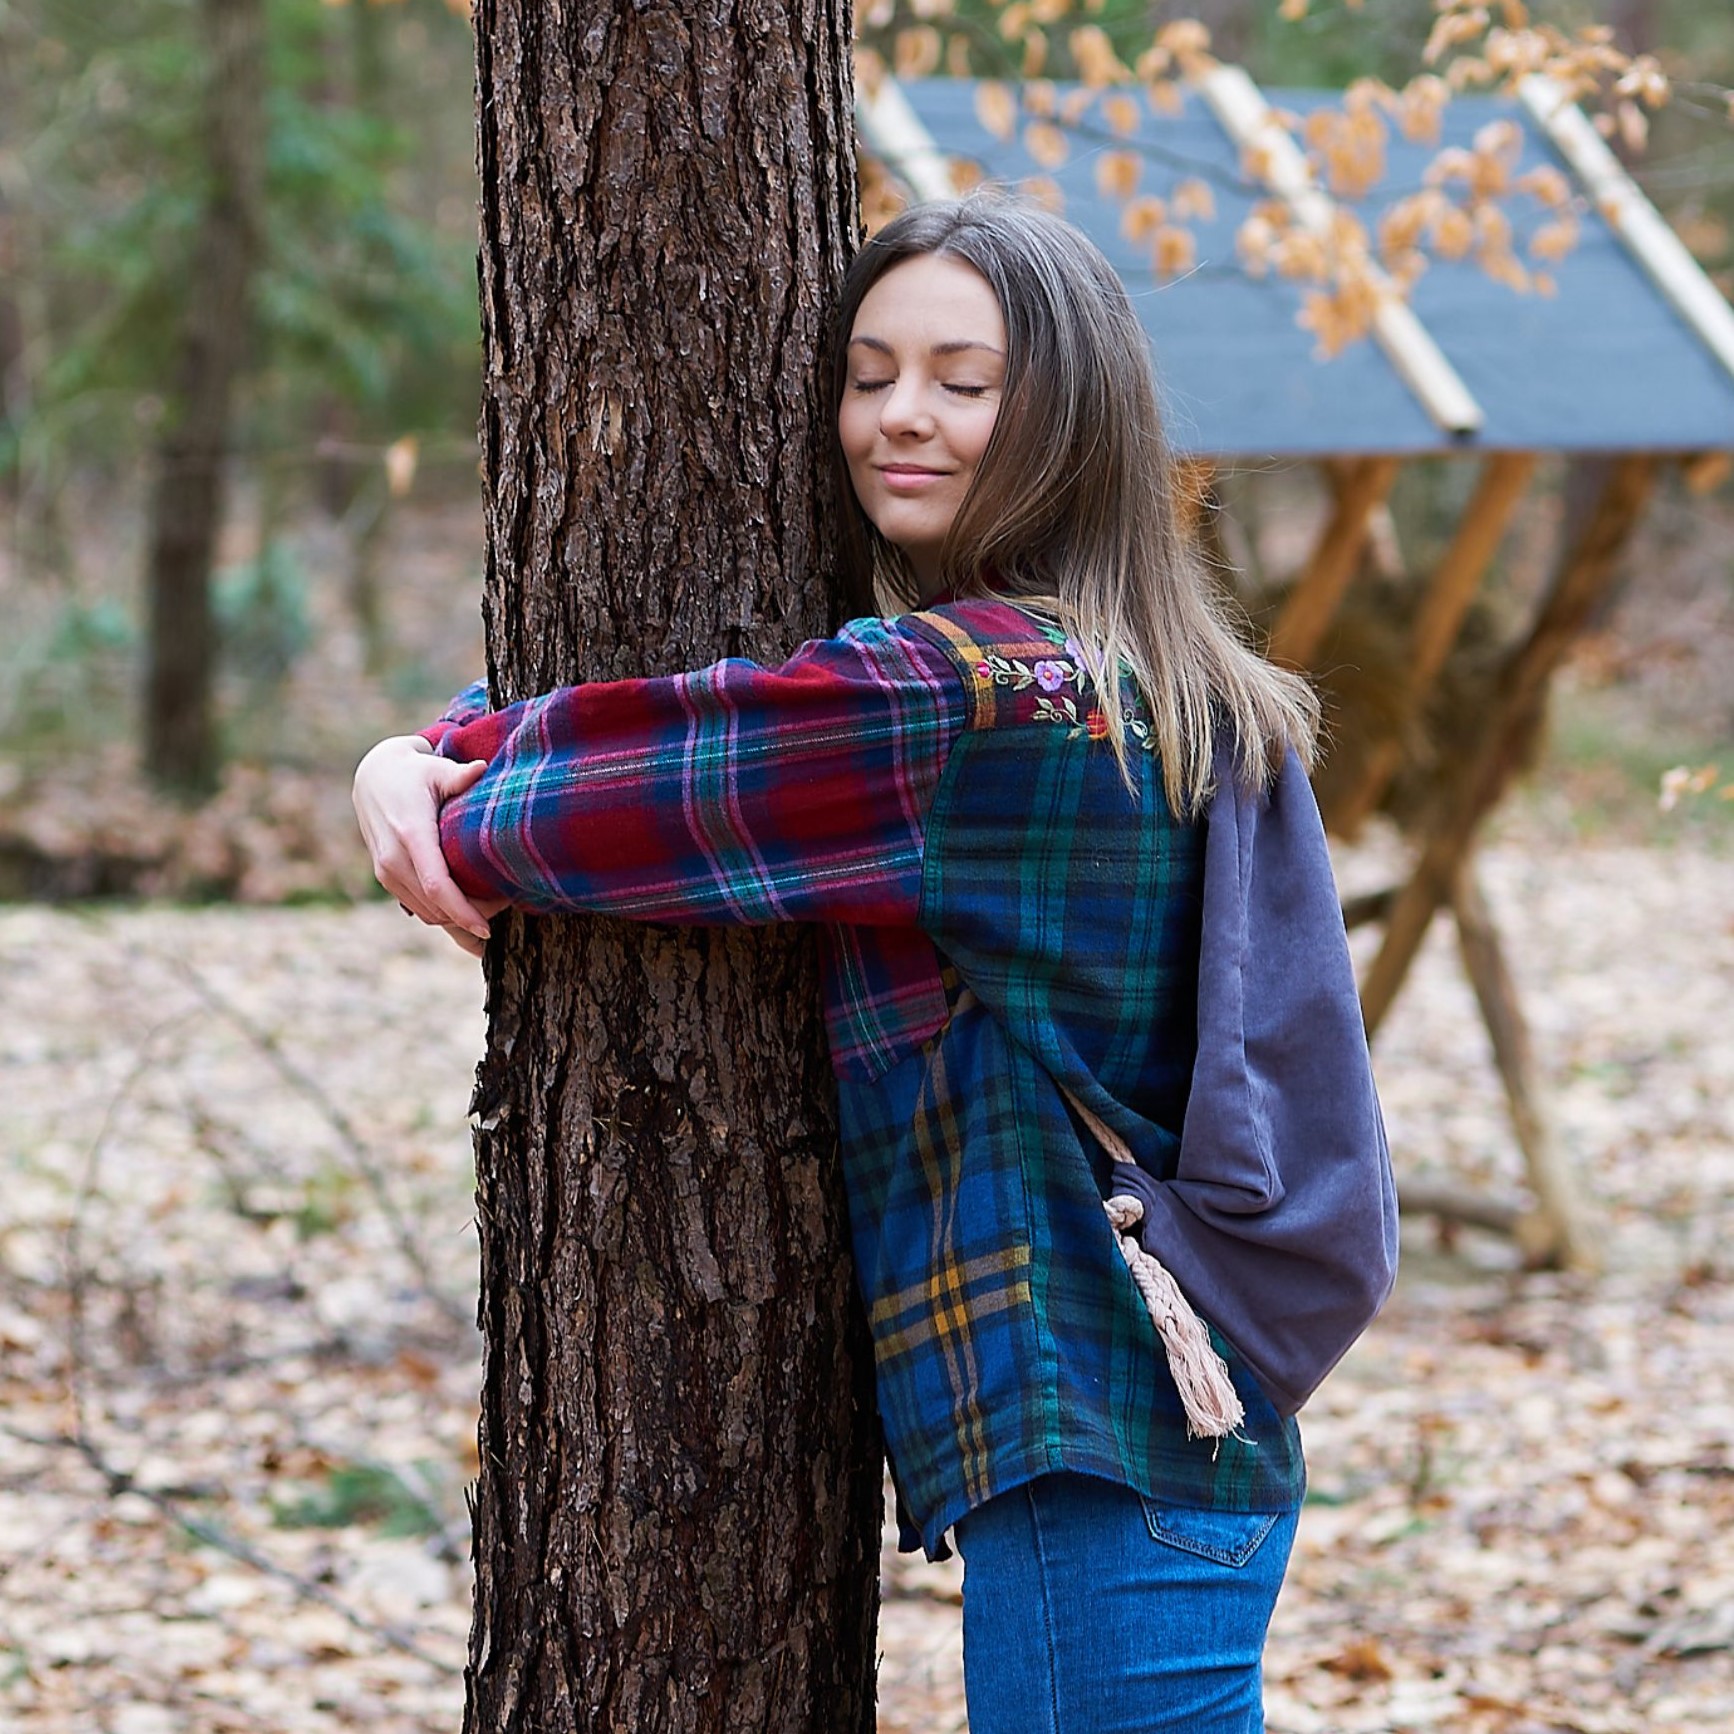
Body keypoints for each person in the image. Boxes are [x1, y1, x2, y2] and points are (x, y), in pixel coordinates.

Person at [354, 195, 1397, 1734]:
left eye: (962, 381)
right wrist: (435, 746)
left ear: (1066, 412)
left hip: (1113, 1439)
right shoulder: (1121, 678)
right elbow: (723, 733)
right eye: (866, 369)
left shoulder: (986, 706)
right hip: (1166, 1447)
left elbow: (579, 810)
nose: (898, 415)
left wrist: (420, 754)